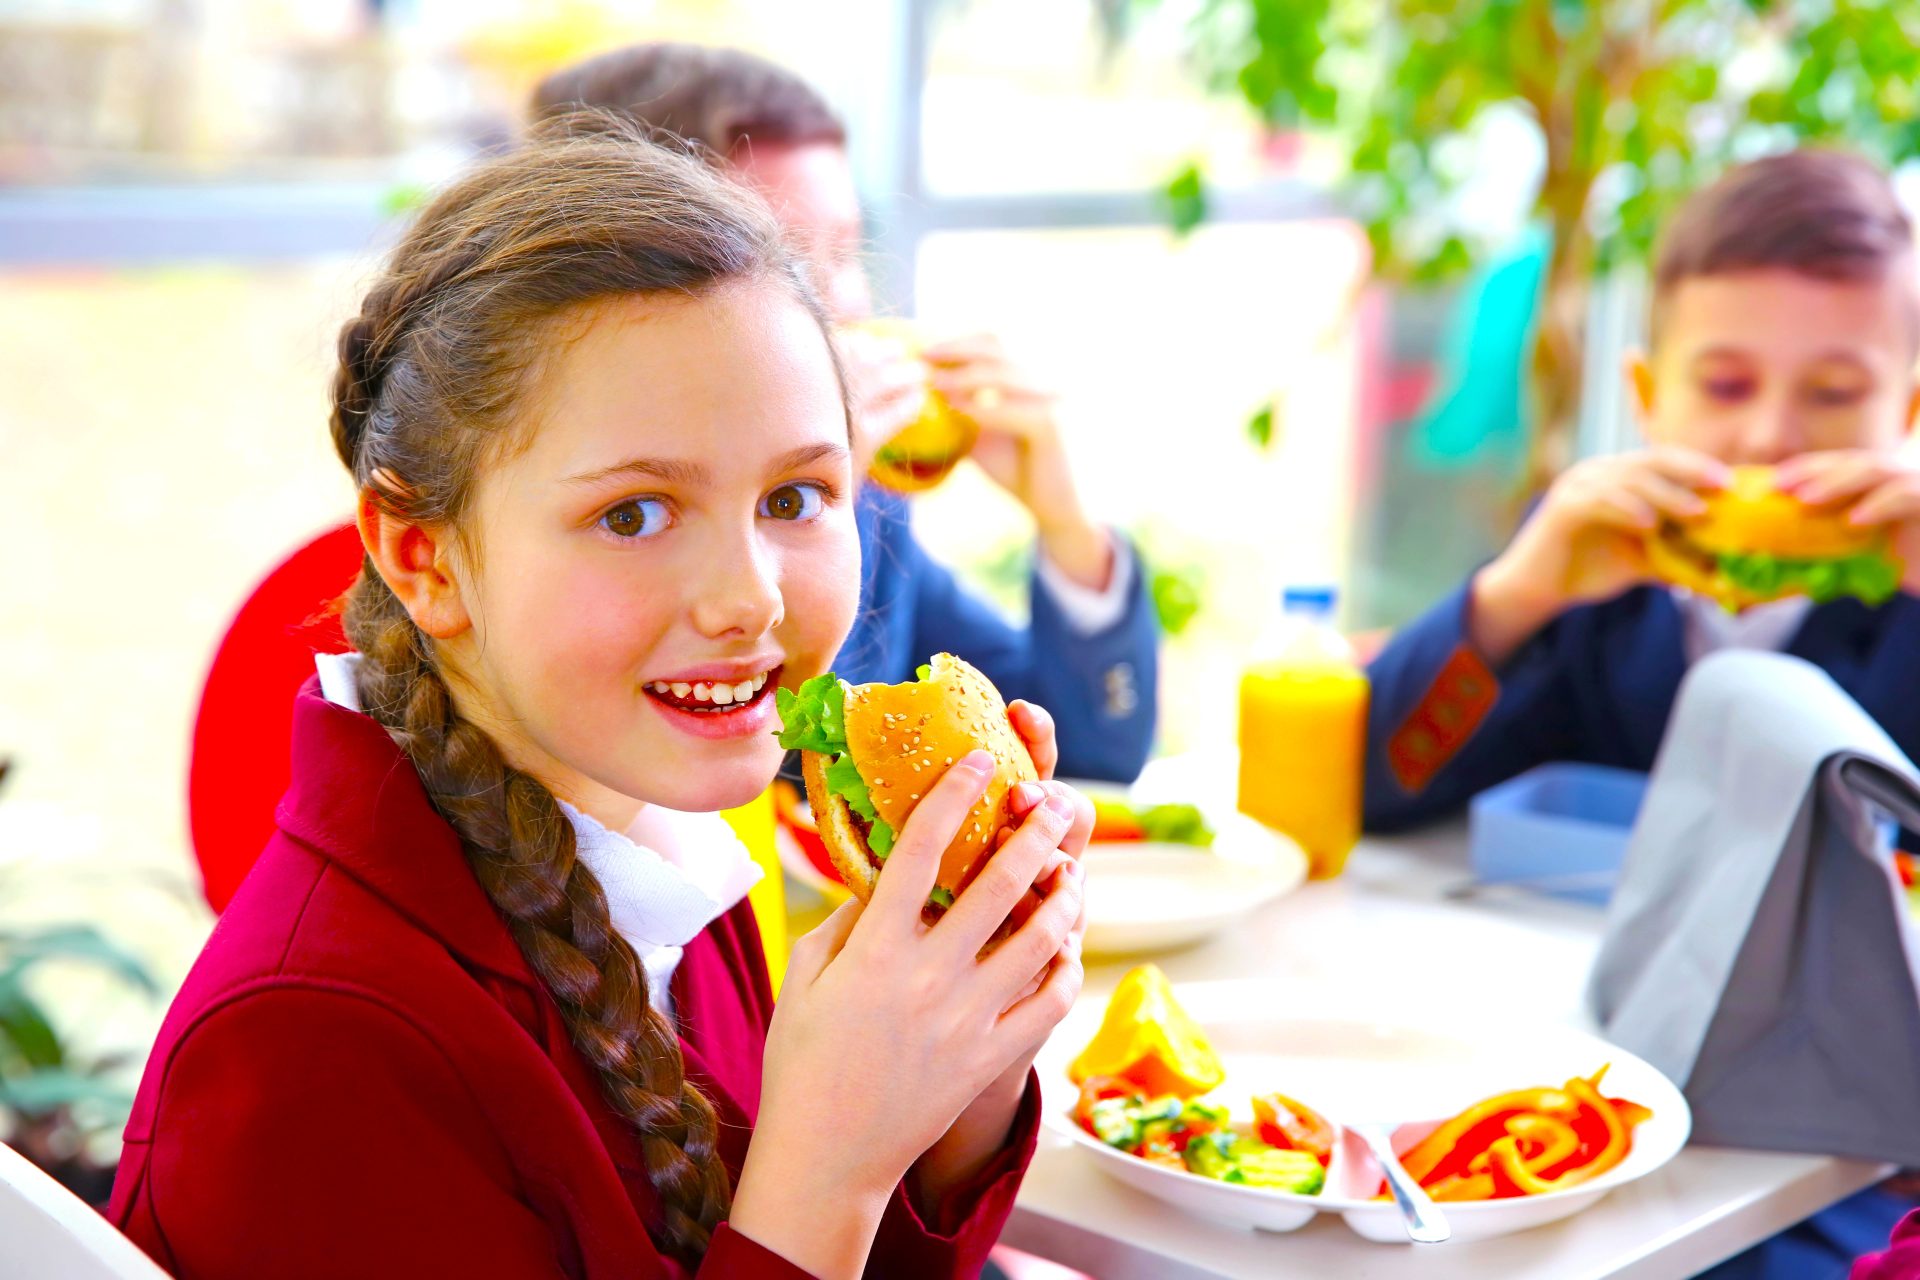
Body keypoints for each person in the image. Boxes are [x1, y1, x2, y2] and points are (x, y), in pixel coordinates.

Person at [109, 118, 1089, 1279]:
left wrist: (956, 1084)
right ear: (424, 559)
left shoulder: (661, 824)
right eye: (634, 513)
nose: (750, 598)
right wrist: (827, 1166)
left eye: (798, 495)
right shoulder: (312, 1040)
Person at [1362, 148, 1920, 1277]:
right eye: (1723, 386)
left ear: (1906, 409)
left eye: (1834, 393)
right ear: (1645, 396)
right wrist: (1515, 593)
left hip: (1842, 1163)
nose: (1770, 437)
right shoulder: (1592, 596)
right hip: (1574, 1100)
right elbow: (1377, 780)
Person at [531, 43, 1159, 784]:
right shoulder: (579, 535)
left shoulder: (871, 510)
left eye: (847, 250)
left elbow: (1087, 756)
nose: (846, 300)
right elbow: (757, 779)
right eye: (789, 257)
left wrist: (1067, 528)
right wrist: (808, 501)